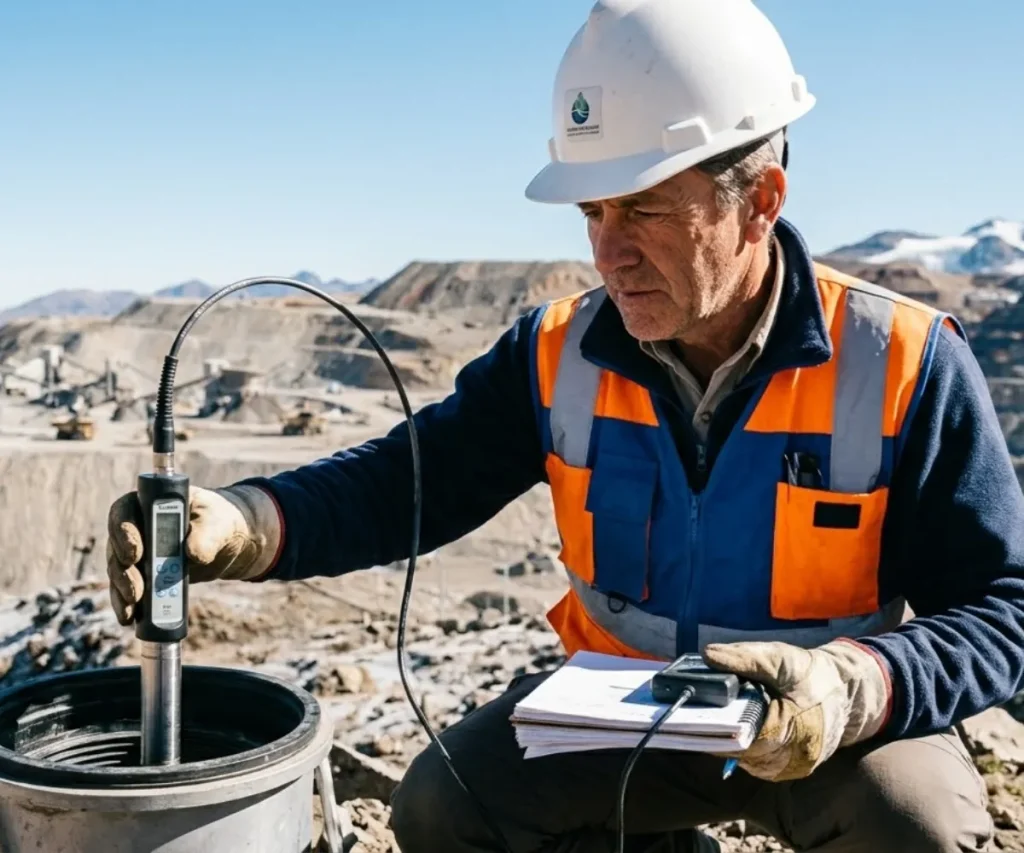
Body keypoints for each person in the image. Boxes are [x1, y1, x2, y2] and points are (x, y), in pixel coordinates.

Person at [106, 1, 1023, 850]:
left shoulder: (904, 360)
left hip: (820, 734)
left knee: (916, 821)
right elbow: (407, 483)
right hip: (618, 722)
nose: (608, 253)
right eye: (593, 211)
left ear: (761, 200)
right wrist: (245, 523)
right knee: (441, 803)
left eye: (646, 210)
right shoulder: (556, 353)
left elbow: (1003, 610)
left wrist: (855, 684)